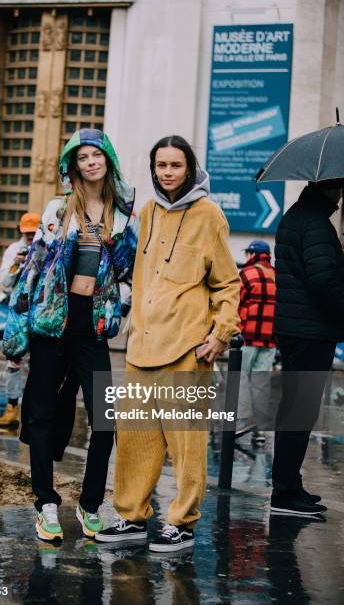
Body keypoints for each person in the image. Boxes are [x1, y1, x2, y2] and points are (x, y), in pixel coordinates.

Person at [96, 135, 240, 552]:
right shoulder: (148, 211)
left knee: (186, 442)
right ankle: (132, 518)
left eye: (176, 165)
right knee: (136, 438)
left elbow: (228, 284)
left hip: (187, 346)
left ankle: (182, 522)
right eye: (161, 165)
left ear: (190, 168)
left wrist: (219, 334)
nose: (168, 172)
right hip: (142, 344)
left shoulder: (210, 214)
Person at [3, 128, 137, 542]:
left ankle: (90, 503)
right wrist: (18, 323)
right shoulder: (58, 210)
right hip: (52, 323)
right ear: (73, 166)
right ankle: (45, 503)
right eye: (83, 157)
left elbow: (129, 270)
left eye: (97, 155)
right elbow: (36, 267)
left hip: (92, 328)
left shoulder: (123, 213)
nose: (91, 162)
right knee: (40, 415)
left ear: (108, 160)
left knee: (104, 420)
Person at [271, 179, 344, 516]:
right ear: (328, 190)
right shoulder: (315, 224)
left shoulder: (296, 217)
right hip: (310, 330)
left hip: (296, 327)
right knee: (300, 410)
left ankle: (289, 484)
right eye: (339, 189)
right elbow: (323, 279)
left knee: (295, 409)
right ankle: (285, 492)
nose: (341, 195)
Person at [0, 212, 40, 428]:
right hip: (18, 314)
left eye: (33, 233)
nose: (30, 237)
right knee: (13, 361)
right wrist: (16, 264)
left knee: (38, 364)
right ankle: (12, 407)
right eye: (26, 233)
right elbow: (4, 282)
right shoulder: (13, 250)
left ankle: (33, 412)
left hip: (41, 313)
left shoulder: (48, 247)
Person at [236, 240, 276, 445]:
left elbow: (237, 303)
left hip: (247, 338)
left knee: (242, 378)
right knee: (261, 384)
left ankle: (241, 422)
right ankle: (259, 430)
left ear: (252, 254)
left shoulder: (247, 274)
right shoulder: (278, 276)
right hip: (270, 341)